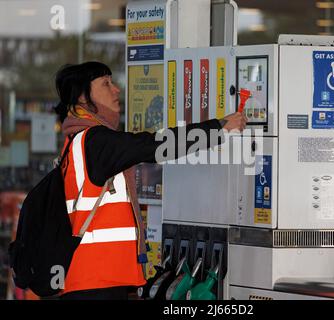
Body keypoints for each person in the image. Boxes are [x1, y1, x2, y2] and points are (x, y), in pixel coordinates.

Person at [54, 61, 247, 300]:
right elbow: (155, 145)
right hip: (93, 281)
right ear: (83, 97)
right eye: (106, 83)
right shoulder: (95, 141)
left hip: (91, 278)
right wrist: (219, 128)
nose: (116, 90)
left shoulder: (76, 140)